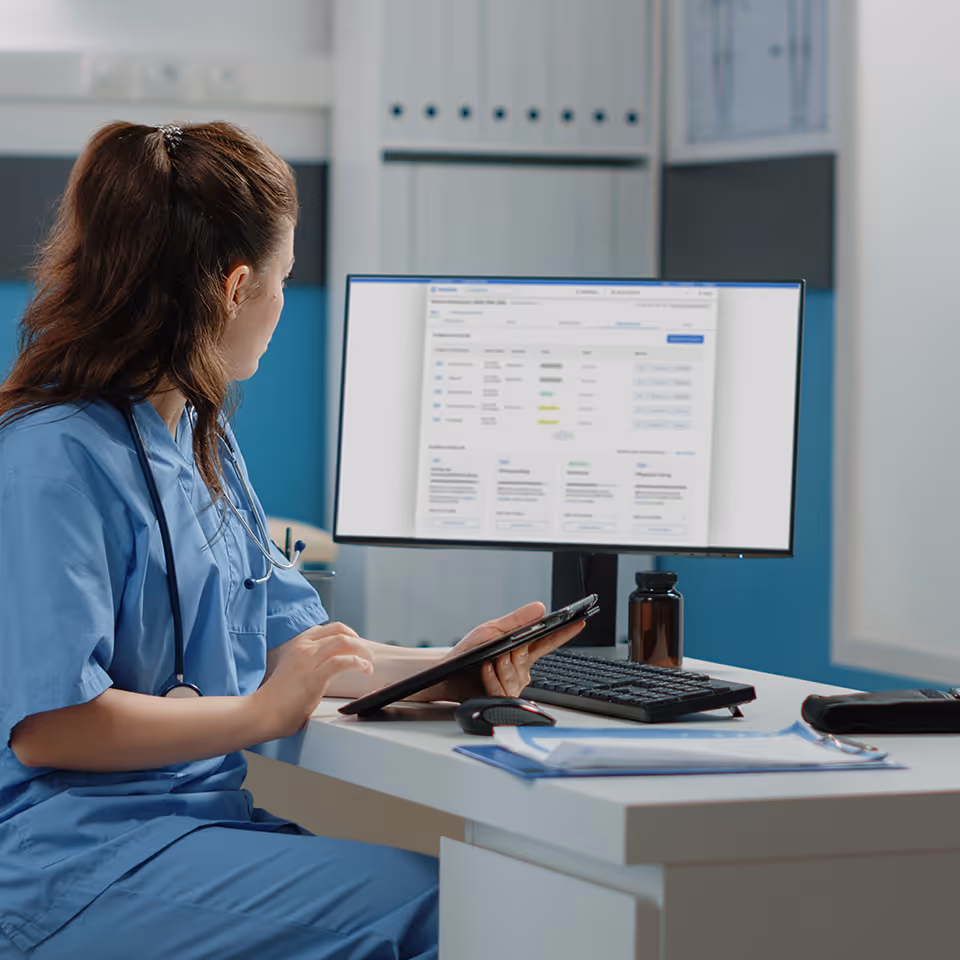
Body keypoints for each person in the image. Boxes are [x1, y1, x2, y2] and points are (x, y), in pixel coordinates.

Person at [0, 121, 583, 959]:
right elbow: (51, 726)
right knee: (457, 912)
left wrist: (447, 667)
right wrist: (259, 714)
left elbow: (300, 649)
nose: (282, 301)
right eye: (284, 280)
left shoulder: (201, 437)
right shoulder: (49, 457)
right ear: (237, 287)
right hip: (71, 863)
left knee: (482, 896)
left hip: (189, 829)